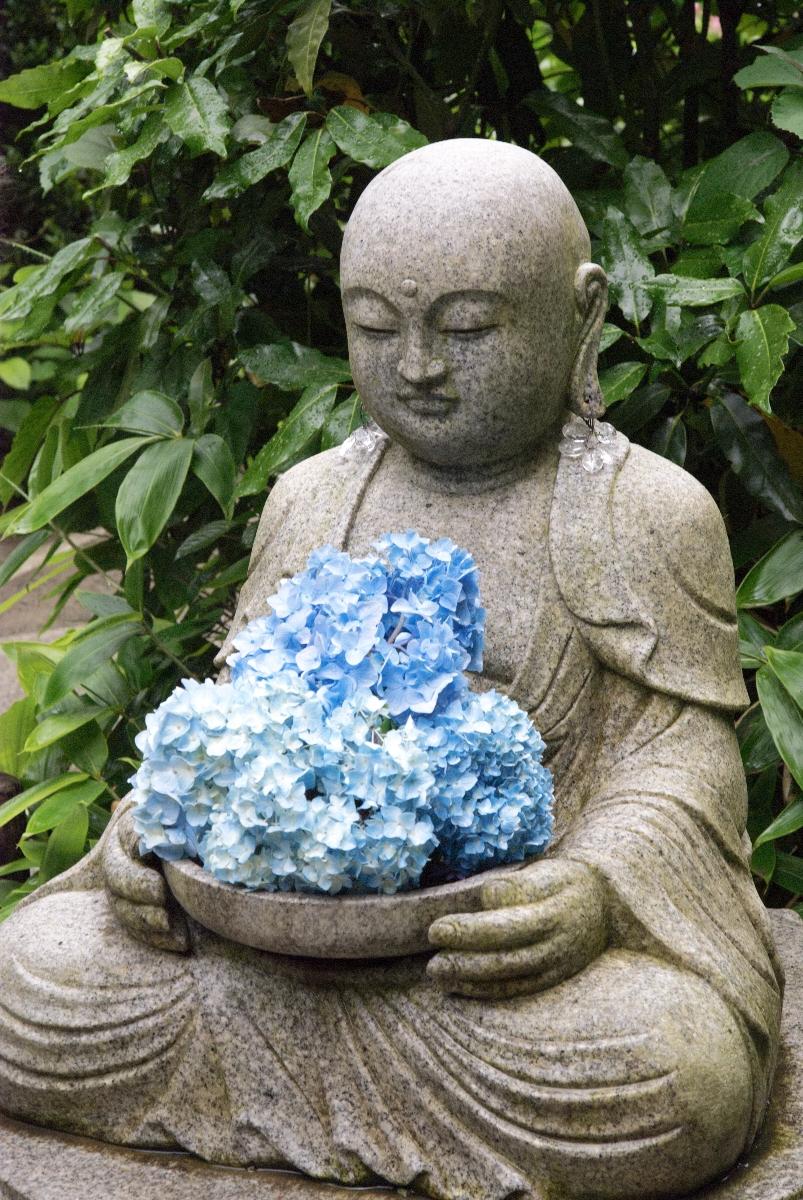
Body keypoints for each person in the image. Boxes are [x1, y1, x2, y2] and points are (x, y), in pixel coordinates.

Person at [0, 140, 782, 1200]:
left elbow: (680, 760)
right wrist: (155, 826)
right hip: (267, 957)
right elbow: (236, 719)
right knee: (32, 971)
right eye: (374, 326)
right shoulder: (315, 498)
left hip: (491, 979)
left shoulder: (642, 511)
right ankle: (310, 1080)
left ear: (582, 315)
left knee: (672, 1073)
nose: (415, 365)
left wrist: (592, 890)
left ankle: (279, 1089)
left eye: (467, 328)